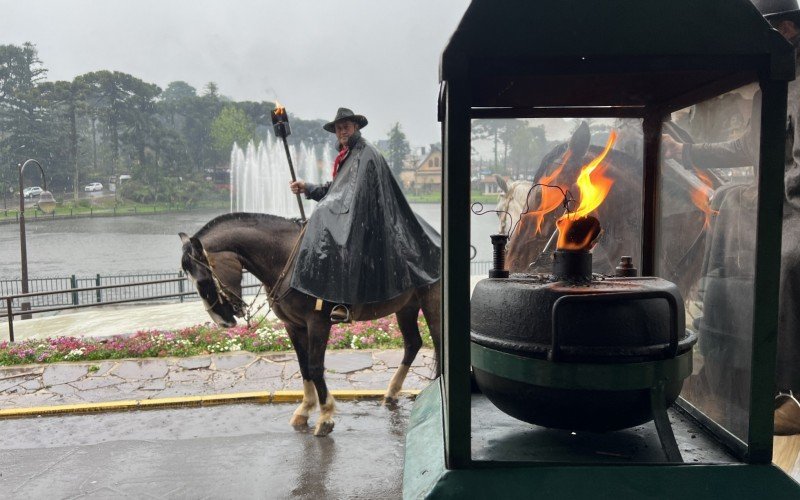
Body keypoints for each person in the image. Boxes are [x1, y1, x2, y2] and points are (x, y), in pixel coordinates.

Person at [663, 0, 800, 435]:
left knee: (785, 260)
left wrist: (774, 199)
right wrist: (685, 152)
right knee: (724, 208)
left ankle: (787, 392)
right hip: (778, 198)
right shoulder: (772, 87)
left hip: (795, 205)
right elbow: (749, 147)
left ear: (788, 31)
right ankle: (721, 360)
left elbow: (797, 170)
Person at [288, 107, 440, 323]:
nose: (342, 131)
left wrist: (329, 207)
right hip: (354, 211)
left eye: (346, 127)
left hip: (370, 215)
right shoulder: (348, 154)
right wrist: (307, 188)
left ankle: (344, 301)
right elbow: (336, 190)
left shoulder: (366, 152)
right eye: (339, 128)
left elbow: (358, 193)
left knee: (338, 237)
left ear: (355, 127)